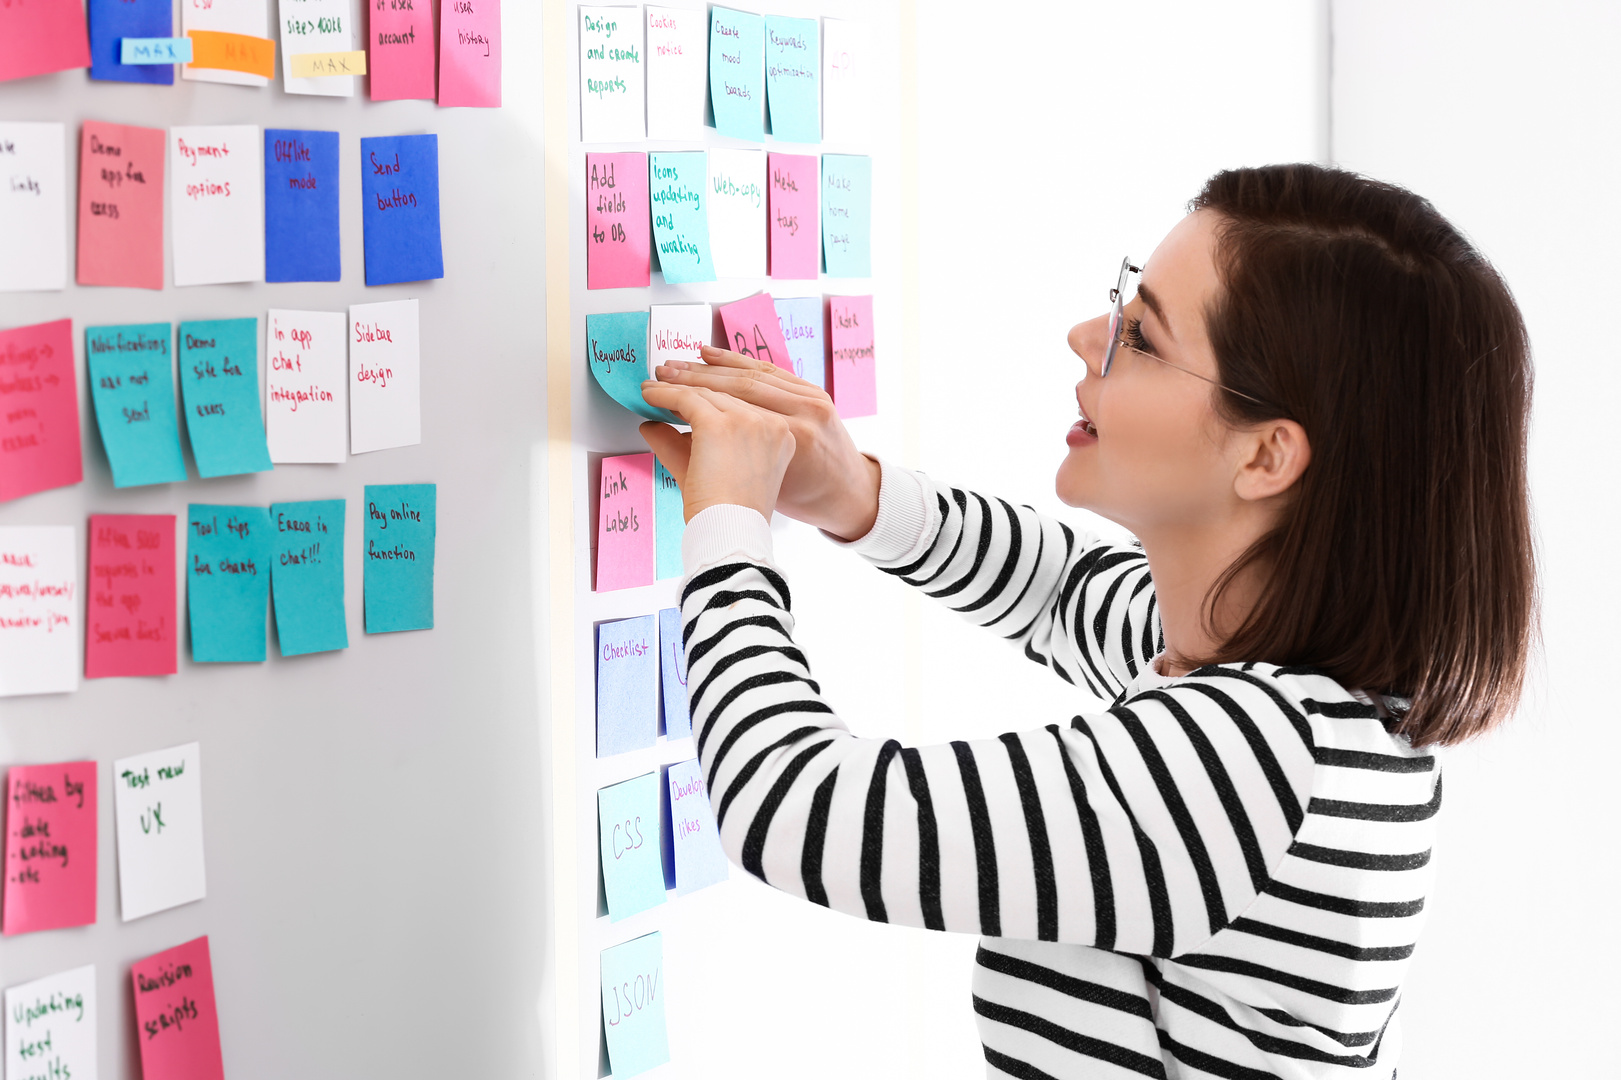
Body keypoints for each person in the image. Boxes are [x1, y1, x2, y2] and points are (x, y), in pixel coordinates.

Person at [637, 164, 1535, 1079]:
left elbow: (793, 806)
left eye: (1140, 336)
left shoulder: (1250, 764)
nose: (1083, 337)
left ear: (1267, 455)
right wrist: (855, 495)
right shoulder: (1294, 694)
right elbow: (1061, 589)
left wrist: (729, 522)